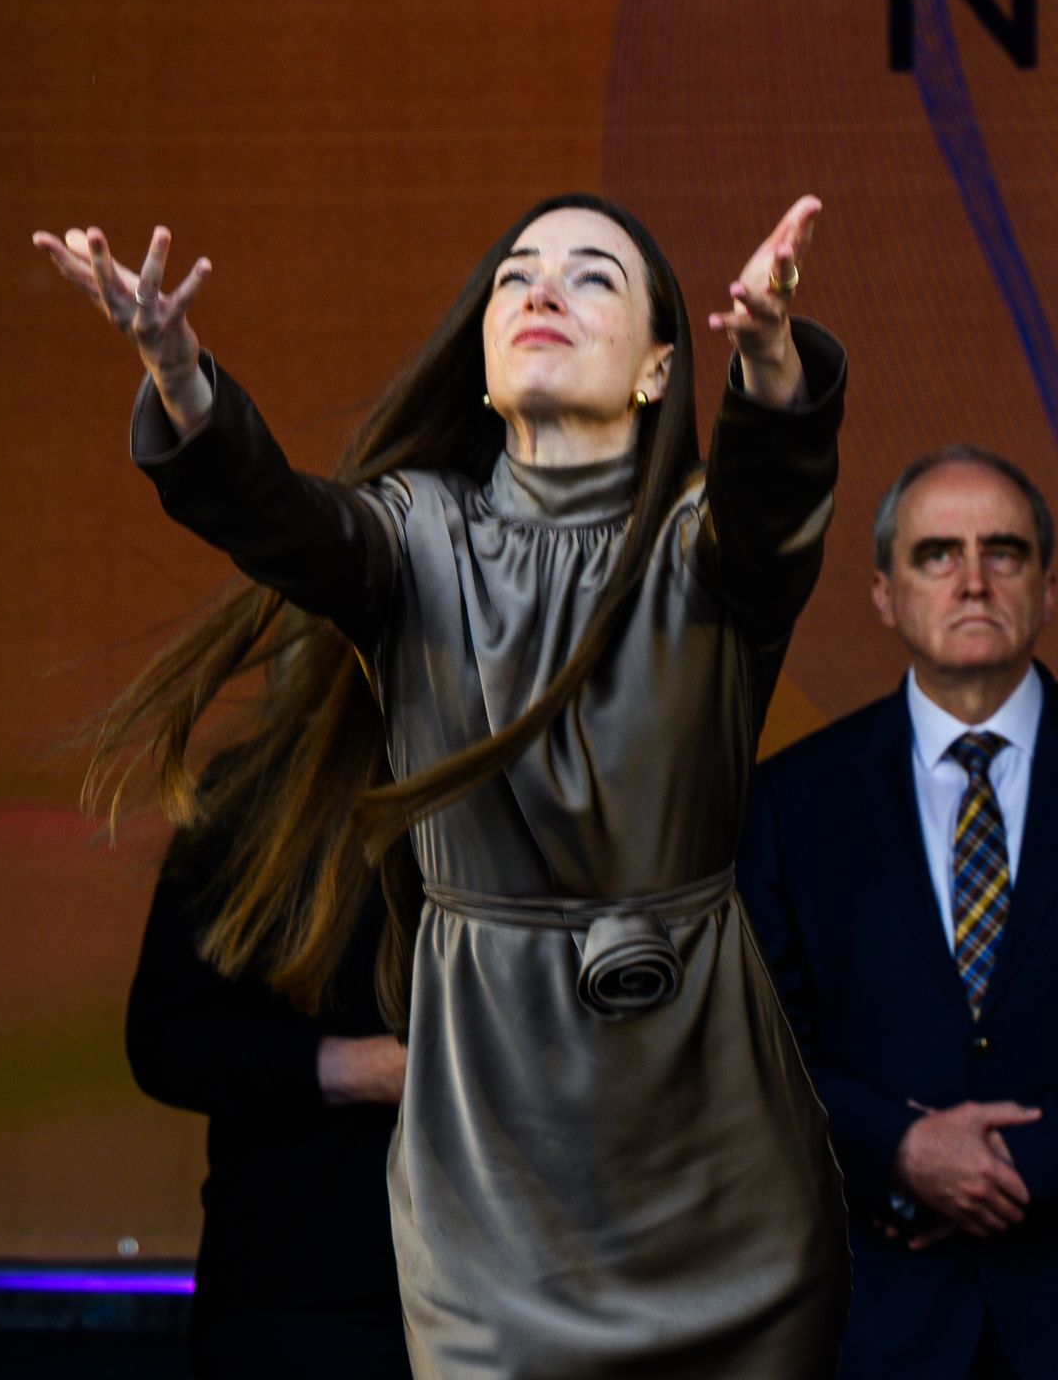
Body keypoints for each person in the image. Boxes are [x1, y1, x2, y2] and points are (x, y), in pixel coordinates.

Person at [46, 193, 847, 1380]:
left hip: (703, 1123)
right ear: (480, 357)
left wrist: (774, 369)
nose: (540, 291)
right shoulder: (415, 534)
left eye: (591, 279)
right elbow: (281, 519)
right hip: (494, 1123)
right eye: (518, 274)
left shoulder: (701, 550)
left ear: (660, 364)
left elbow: (774, 508)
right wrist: (183, 381)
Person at [739, 443, 1058, 1378]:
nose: (973, 580)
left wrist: (1037, 1158)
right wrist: (899, 1147)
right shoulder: (791, 801)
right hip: (879, 1311)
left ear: (1049, 588)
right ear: (884, 594)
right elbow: (757, 1041)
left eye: (1004, 553)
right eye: (937, 554)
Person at [126, 741, 410, 1379]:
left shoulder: (531, 788)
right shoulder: (258, 788)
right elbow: (164, 1039)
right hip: (298, 1288)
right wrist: (365, 1068)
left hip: (493, 1279)